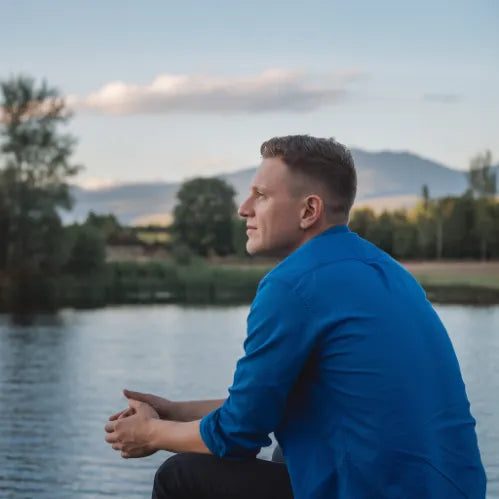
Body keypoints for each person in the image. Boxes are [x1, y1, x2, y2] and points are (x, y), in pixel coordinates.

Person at [105, 135, 486, 498]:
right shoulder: (389, 273)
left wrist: (151, 434)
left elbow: (237, 435)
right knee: (291, 449)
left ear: (309, 211)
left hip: (376, 491)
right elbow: (266, 408)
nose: (244, 208)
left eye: (261, 195)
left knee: (180, 476)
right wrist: (174, 412)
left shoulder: (294, 284)